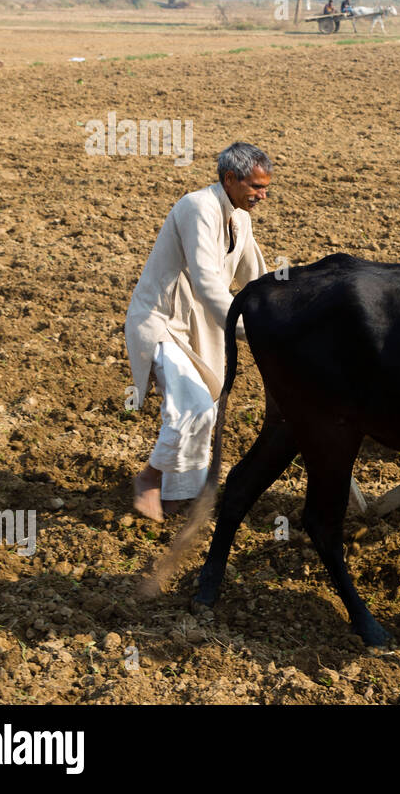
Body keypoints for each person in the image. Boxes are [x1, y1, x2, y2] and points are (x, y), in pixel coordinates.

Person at [125, 143, 271, 520]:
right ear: (229, 179)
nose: (263, 195)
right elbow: (208, 284)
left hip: (201, 329)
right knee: (193, 405)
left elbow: (255, 278)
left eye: (266, 187)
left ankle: (175, 498)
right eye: (255, 186)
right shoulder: (198, 207)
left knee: (200, 409)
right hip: (163, 322)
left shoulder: (240, 219)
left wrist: (286, 312)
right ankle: (150, 477)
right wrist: (250, 331)